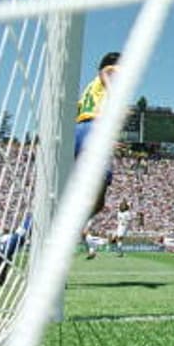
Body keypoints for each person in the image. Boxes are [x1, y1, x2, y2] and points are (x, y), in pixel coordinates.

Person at [75, 52, 120, 259]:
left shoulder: (88, 91)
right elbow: (107, 71)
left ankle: (16, 239)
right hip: (94, 131)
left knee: (95, 201)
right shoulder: (110, 74)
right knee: (96, 199)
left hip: (78, 132)